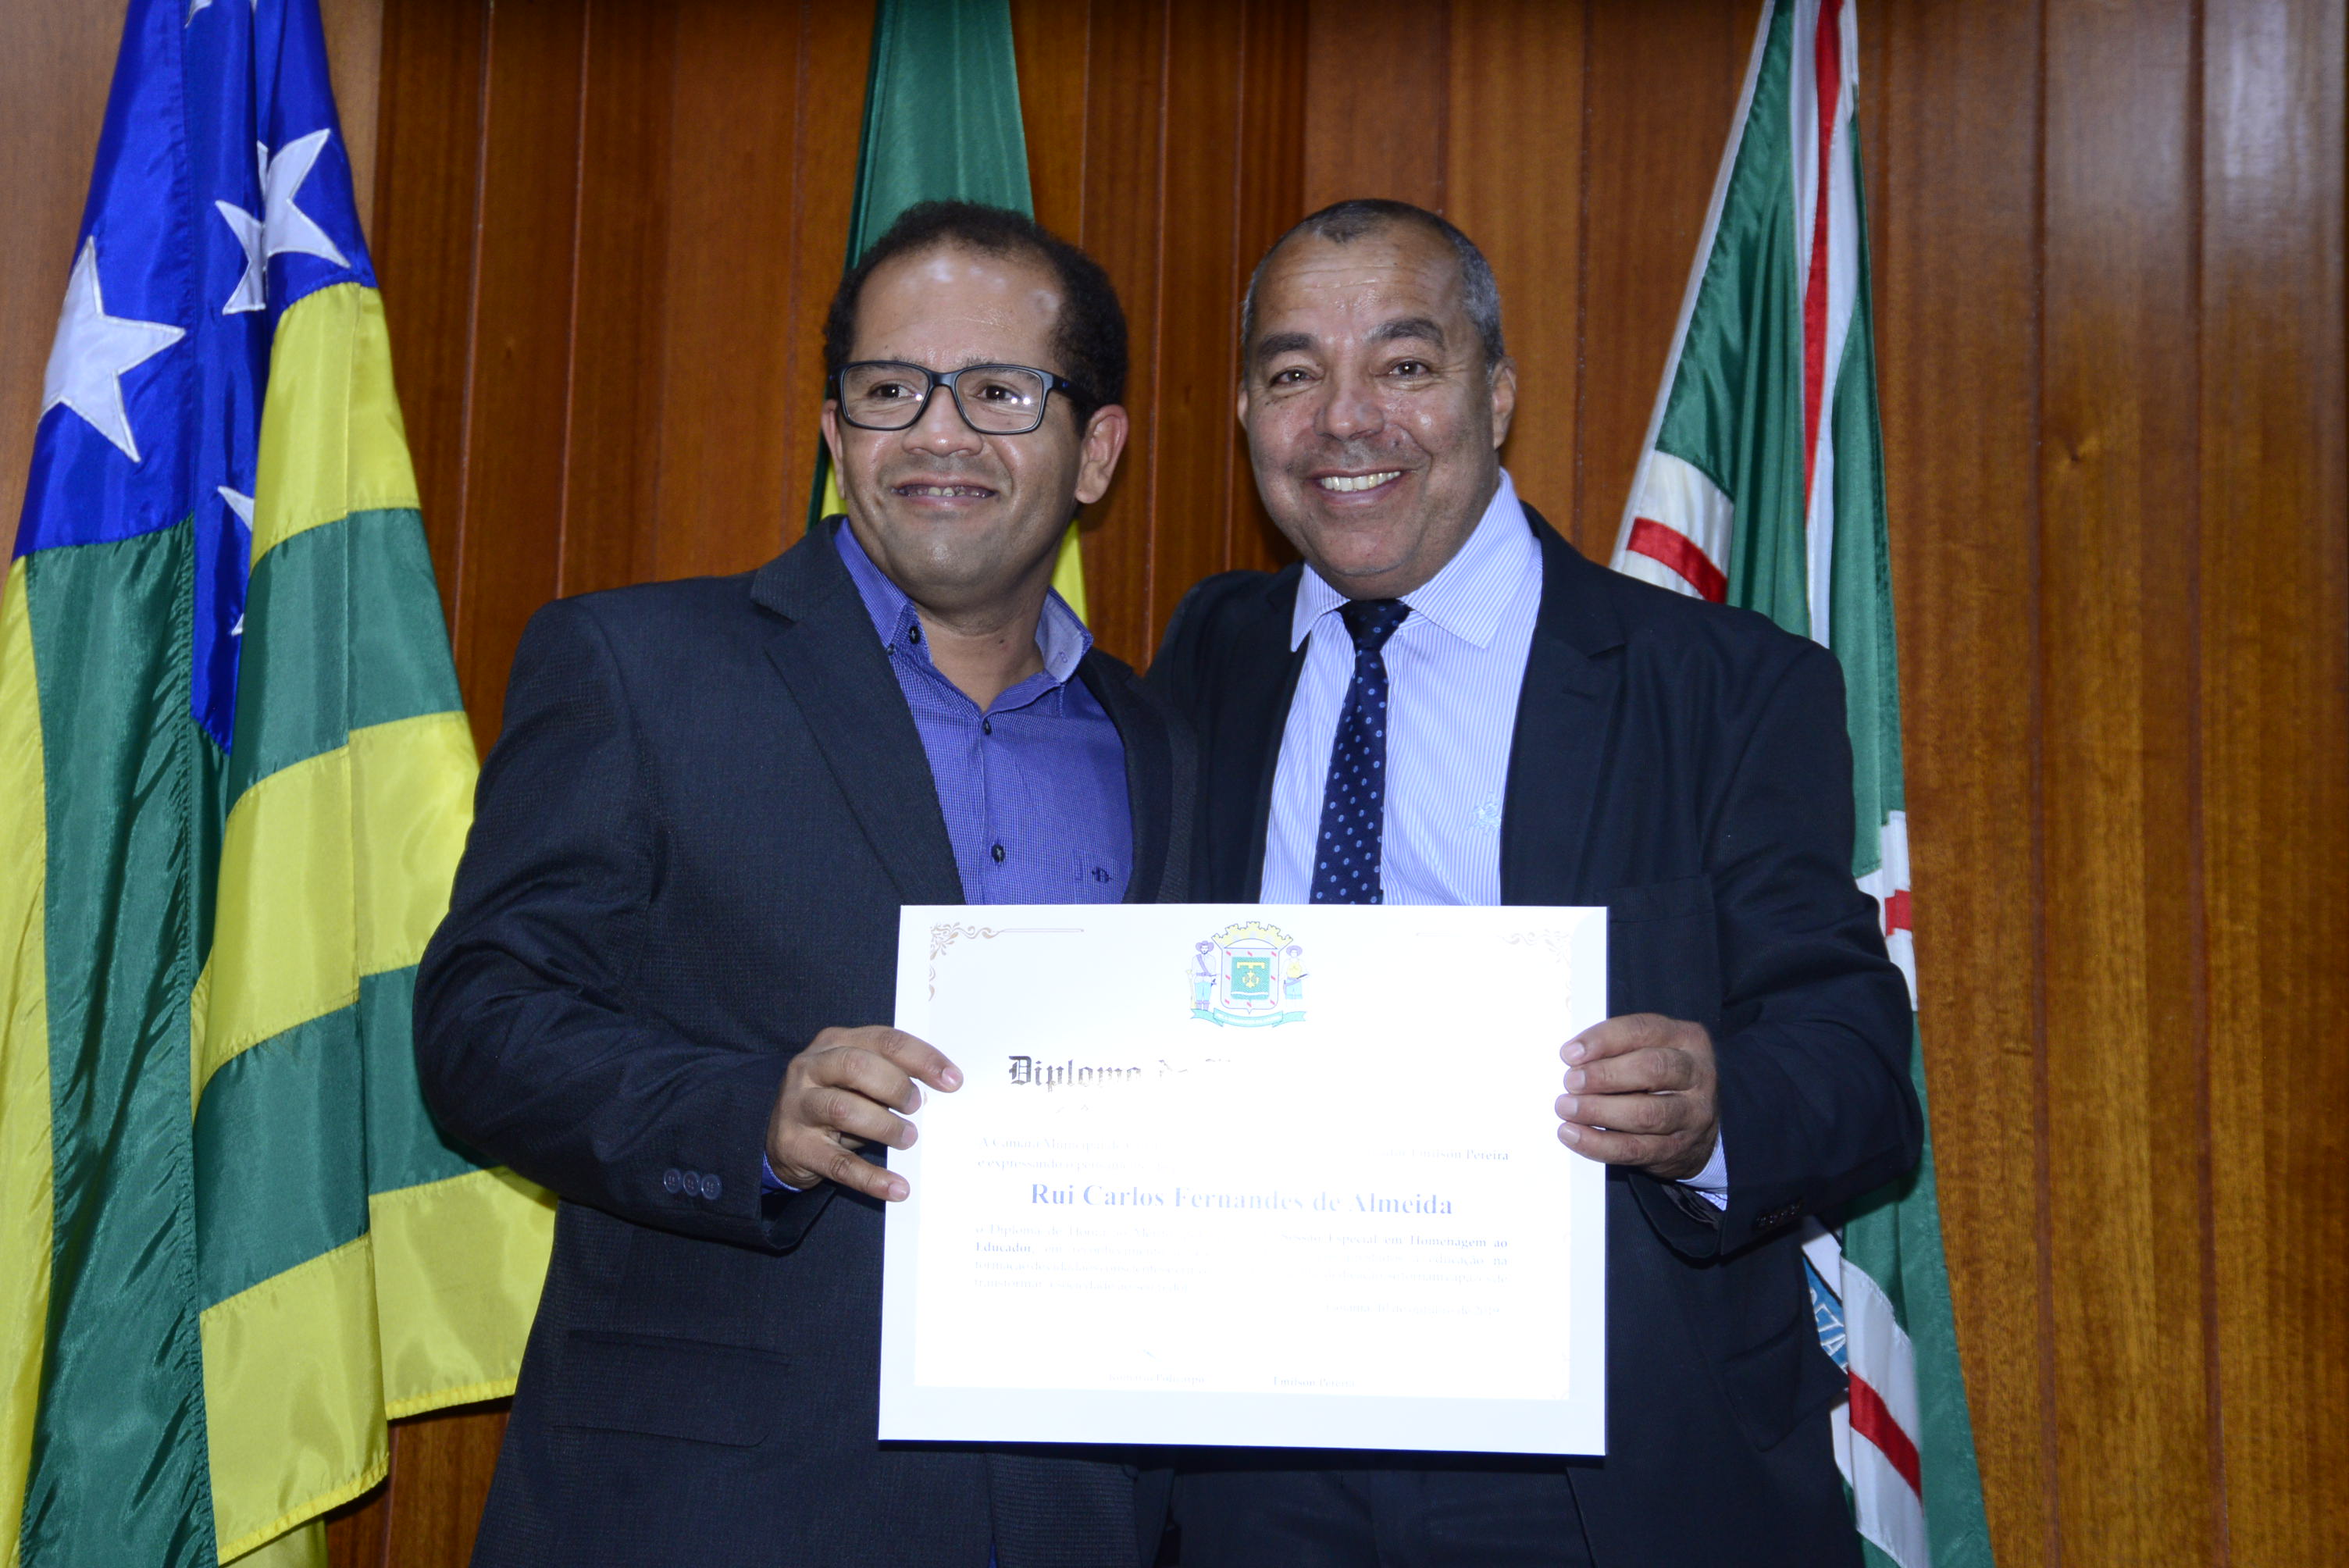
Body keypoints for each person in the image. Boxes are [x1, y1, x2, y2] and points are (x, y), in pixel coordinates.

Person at [1145, 199, 1921, 1567]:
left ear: (1496, 394)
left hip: (1610, 1462)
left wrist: (1710, 1110)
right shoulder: (1215, 651)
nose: (1345, 419)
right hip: (1257, 1456)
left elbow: (1857, 1073)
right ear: (1249, 415)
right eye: (1293, 373)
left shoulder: (1726, 687)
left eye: (1405, 365)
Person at [415, 200, 1188, 1568]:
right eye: (892, 390)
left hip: (1079, 1512)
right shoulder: (637, 667)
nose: (940, 434)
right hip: (713, 1512)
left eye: (1001, 393)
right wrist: (750, 1116)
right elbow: (479, 1027)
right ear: (837, 434)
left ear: (1097, 452)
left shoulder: (1167, 744)